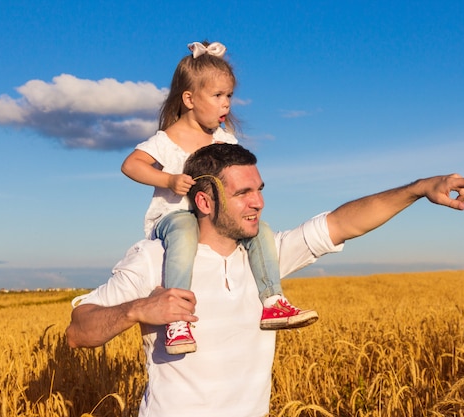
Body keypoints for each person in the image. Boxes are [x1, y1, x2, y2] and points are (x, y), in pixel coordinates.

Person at [67, 143, 464, 417]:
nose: (259, 202)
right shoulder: (154, 258)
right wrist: (141, 308)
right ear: (204, 200)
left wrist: (419, 188)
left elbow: (343, 223)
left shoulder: (265, 258)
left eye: (260, 189)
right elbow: (78, 331)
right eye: (244, 193)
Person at [120, 41, 317, 355]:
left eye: (229, 96)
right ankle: (177, 319)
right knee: (185, 229)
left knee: (260, 230)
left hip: (214, 218)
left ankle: (272, 301)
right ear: (189, 99)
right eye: (217, 96)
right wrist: (168, 179)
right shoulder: (167, 140)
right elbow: (131, 165)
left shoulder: (224, 139)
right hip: (173, 217)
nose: (226, 104)